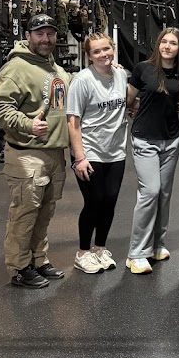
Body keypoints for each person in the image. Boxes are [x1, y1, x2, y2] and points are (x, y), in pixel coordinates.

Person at [0, 13, 70, 289]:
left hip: (54, 153)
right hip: (27, 153)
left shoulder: (55, 68)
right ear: (28, 36)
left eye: (50, 34)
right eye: (39, 34)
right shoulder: (16, 68)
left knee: (44, 213)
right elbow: (0, 108)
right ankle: (19, 267)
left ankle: (38, 258)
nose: (45, 39)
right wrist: (27, 124)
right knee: (24, 214)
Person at [125, 27, 179, 275]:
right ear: (158, 44)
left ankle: (156, 245)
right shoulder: (143, 69)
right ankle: (136, 253)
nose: (167, 46)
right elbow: (128, 98)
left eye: (173, 43)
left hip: (171, 140)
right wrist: (136, 107)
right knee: (150, 192)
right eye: (164, 41)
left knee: (163, 193)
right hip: (145, 139)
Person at [67, 32, 128, 274]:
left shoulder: (121, 74)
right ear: (89, 56)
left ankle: (99, 248)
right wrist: (79, 157)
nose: (103, 54)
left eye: (106, 49)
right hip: (89, 151)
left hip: (116, 150)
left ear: (113, 48)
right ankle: (82, 253)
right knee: (94, 202)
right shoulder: (82, 81)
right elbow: (73, 121)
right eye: (97, 51)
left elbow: (125, 103)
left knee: (110, 201)